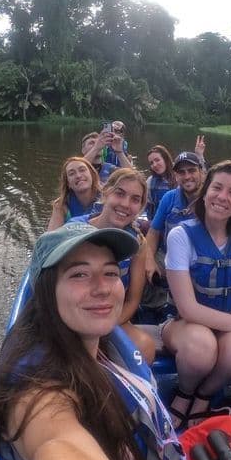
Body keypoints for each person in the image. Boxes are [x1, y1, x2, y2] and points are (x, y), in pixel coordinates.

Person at [0, 223, 231, 460]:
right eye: (79, 275)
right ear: (46, 289)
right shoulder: (37, 389)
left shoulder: (100, 337)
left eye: (111, 273)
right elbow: (64, 451)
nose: (101, 288)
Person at [162, 161, 231, 429]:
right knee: (202, 346)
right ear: (205, 191)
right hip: (186, 327)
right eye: (217, 188)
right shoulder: (181, 236)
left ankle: (203, 396)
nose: (222, 197)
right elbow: (189, 310)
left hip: (229, 331)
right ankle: (185, 392)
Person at [67, 168, 157, 364]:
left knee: (146, 348)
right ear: (106, 193)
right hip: (75, 313)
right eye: (120, 193)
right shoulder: (74, 232)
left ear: (141, 207)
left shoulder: (138, 244)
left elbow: (133, 301)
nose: (125, 204)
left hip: (111, 316)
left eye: (135, 199)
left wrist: (104, 327)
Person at [142, 152, 207, 308]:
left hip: (201, 261)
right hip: (168, 257)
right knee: (139, 268)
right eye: (181, 172)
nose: (187, 176)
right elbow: (154, 232)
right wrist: (149, 260)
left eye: (191, 170)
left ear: (201, 172)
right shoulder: (169, 198)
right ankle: (157, 307)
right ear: (176, 176)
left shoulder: (212, 199)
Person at [47, 157, 101, 231]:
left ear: (92, 174)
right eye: (71, 174)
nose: (78, 176)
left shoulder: (107, 198)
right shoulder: (61, 205)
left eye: (82, 170)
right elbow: (51, 238)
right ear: (68, 183)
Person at [144, 145, 175, 221]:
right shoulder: (150, 181)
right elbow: (143, 204)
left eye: (157, 160)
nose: (154, 165)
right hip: (156, 224)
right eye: (151, 163)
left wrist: (199, 155)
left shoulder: (180, 176)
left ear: (165, 159)